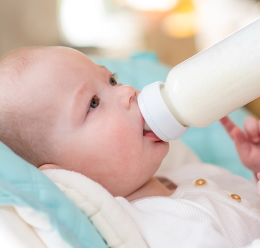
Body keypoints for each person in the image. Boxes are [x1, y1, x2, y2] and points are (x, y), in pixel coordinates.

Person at [0, 46, 260, 247]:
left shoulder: (192, 172)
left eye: (112, 81)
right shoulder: (156, 228)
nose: (127, 91)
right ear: (66, 174)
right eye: (92, 103)